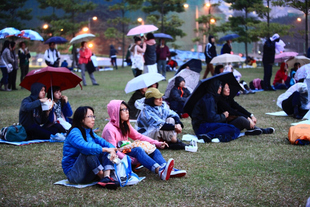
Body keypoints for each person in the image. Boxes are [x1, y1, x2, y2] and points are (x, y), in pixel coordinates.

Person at [102, 100, 186, 180]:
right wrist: (128, 159)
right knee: (138, 150)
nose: (127, 111)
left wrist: (156, 143)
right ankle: (159, 170)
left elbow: (138, 136)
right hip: (117, 155)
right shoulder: (110, 129)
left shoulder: (124, 124)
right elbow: (112, 151)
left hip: (125, 149)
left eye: (127, 109)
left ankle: (167, 168)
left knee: (151, 147)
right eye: (123, 110)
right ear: (115, 112)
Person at [62, 106, 119, 185]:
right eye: (90, 116)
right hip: (75, 175)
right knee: (88, 152)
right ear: (81, 119)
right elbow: (84, 147)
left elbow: (104, 143)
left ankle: (107, 177)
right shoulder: (74, 132)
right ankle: (102, 177)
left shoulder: (89, 132)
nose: (93, 119)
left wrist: (112, 149)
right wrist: (105, 149)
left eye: (93, 116)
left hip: (89, 174)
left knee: (106, 150)